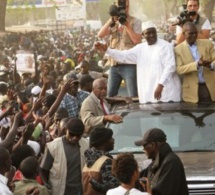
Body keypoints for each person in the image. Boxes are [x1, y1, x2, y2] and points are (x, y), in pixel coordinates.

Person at [95, 21, 181, 104]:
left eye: (153, 32)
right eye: (148, 33)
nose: (151, 35)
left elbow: (171, 66)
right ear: (143, 35)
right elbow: (124, 56)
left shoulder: (165, 46)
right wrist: (107, 50)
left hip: (166, 92)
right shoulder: (140, 48)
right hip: (149, 94)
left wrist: (161, 85)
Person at [97, 0, 142, 97]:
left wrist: (127, 25)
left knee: (133, 94)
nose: (122, 9)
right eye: (119, 6)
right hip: (114, 64)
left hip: (129, 64)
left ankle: (134, 111)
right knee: (110, 94)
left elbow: (137, 41)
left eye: (124, 6)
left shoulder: (135, 21)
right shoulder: (114, 23)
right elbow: (100, 34)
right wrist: (111, 19)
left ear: (128, 6)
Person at [40, 118, 89, 195]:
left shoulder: (86, 145)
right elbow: (43, 169)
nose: (75, 138)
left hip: (79, 191)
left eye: (78, 135)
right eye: (72, 134)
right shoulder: (53, 147)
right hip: (59, 191)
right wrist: (46, 184)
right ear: (66, 130)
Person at [135, 128, 189, 195]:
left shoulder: (171, 162)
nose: (143, 149)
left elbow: (161, 192)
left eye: (145, 145)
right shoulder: (157, 161)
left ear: (153, 145)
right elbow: (137, 176)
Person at [175, 22, 215, 103]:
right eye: (190, 33)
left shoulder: (208, 43)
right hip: (191, 91)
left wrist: (210, 65)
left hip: (209, 88)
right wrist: (197, 64)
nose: (194, 35)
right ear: (184, 33)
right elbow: (179, 69)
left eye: (195, 33)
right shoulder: (178, 49)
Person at [82, 127, 119, 195]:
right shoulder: (106, 161)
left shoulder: (88, 161)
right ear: (103, 142)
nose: (113, 140)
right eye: (110, 138)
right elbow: (112, 188)